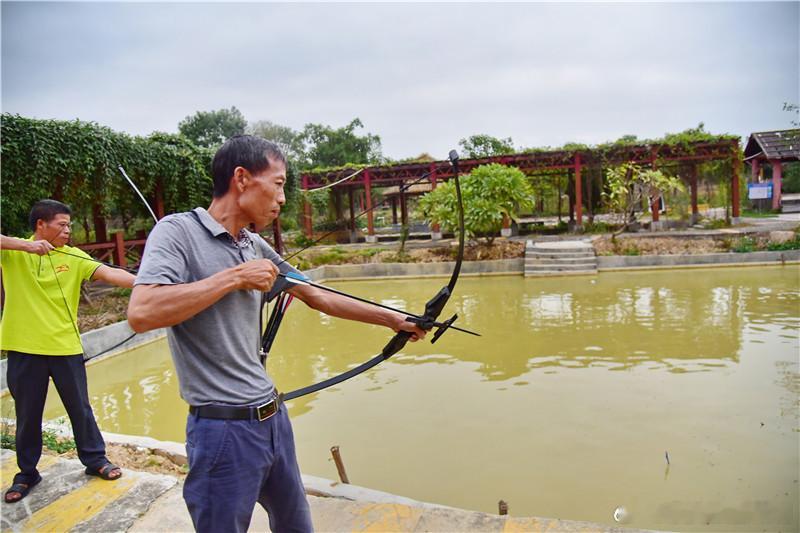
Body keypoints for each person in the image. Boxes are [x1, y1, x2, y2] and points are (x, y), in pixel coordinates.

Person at [127, 135, 425, 533]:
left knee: (297, 526)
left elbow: (318, 295)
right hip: (222, 430)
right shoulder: (177, 232)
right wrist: (233, 278)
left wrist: (395, 320)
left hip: (273, 421)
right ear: (242, 178)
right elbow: (142, 312)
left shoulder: (254, 245)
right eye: (280, 183)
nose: (283, 198)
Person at [1, 199, 136, 503]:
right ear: (40, 225)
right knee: (27, 414)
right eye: (62, 224)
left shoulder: (73, 256)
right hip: (24, 348)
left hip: (65, 347)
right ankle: (27, 473)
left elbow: (110, 273)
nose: (68, 230)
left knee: (80, 407)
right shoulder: (13, 252)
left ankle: (95, 460)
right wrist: (26, 248)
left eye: (69, 225)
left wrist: (148, 282)